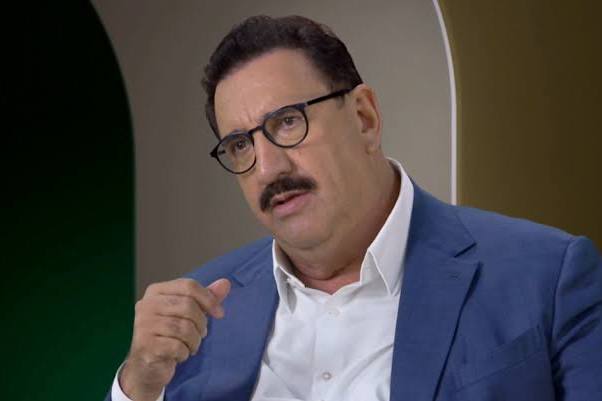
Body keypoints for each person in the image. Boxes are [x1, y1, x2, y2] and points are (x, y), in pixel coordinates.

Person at [106, 15, 602, 401]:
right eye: (240, 145)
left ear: (364, 118)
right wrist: (139, 384)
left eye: (287, 122)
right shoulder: (200, 315)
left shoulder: (547, 277)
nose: (268, 168)